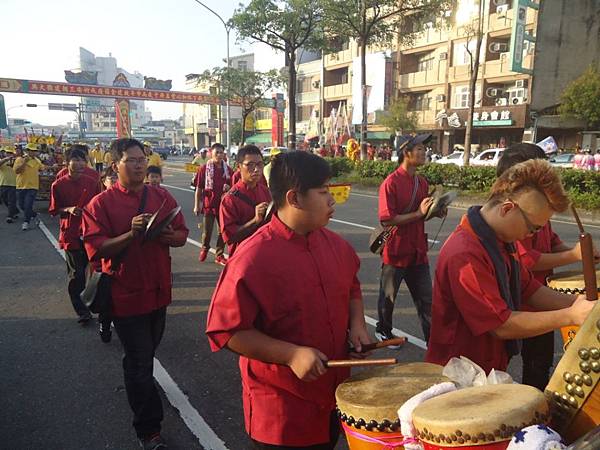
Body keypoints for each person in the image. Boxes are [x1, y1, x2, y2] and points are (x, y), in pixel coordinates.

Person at [206, 151, 371, 449]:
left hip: (332, 395)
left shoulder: (335, 245)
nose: (331, 201)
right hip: (282, 410)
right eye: (323, 193)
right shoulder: (253, 256)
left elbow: (352, 287)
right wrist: (291, 354)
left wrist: (357, 324)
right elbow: (226, 331)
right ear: (294, 198)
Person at [426, 159, 595, 373]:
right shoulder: (466, 253)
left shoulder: (500, 240)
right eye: (533, 228)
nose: (531, 235)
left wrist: (580, 304)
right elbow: (500, 324)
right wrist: (570, 315)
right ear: (507, 209)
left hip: (486, 365)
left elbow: (529, 289)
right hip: (458, 371)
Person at [82, 138, 188, 450]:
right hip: (125, 295)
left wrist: (170, 234)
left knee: (147, 355)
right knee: (140, 362)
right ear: (115, 165)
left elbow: (182, 234)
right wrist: (131, 233)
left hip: (158, 292)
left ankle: (140, 390)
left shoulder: (160, 195)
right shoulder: (100, 204)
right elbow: (96, 248)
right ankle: (148, 430)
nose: (140, 165)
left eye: (142, 159)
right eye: (131, 160)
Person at [496, 143, 599, 389]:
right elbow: (529, 261)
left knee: (538, 363)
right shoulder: (493, 237)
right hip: (520, 309)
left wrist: (584, 255)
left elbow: (532, 278)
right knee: (504, 365)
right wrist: (575, 255)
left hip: (540, 298)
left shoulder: (532, 214)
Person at [375, 133, 440, 346]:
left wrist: (436, 211)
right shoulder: (390, 183)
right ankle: (384, 331)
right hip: (396, 250)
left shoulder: (421, 182)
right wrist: (419, 214)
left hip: (418, 251)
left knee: (426, 301)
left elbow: (423, 211)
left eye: (424, 148)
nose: (424, 152)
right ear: (406, 152)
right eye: (420, 148)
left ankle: (433, 341)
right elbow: (387, 219)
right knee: (388, 297)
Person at [49, 147, 101, 324]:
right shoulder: (58, 184)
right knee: (76, 274)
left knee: (97, 271)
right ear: (67, 162)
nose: (80, 164)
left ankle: (95, 303)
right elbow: (54, 209)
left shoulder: (92, 180)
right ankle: (82, 311)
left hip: (90, 233)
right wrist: (69, 209)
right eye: (76, 160)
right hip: (71, 234)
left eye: (83, 160)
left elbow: (99, 204)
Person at [219, 145, 272, 257]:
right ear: (239, 167)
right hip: (243, 258)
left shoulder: (266, 192)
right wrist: (255, 221)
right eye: (250, 165)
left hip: (266, 255)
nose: (256, 169)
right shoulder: (230, 199)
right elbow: (229, 237)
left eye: (259, 164)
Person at [193, 143, 232, 266]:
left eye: (221, 153)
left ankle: (219, 255)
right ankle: (205, 247)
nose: (219, 155)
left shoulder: (228, 170)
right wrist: (197, 205)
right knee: (207, 232)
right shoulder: (204, 169)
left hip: (223, 206)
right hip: (208, 205)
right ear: (211, 153)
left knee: (223, 231)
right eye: (217, 153)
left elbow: (235, 186)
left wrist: (229, 187)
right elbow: (199, 189)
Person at [13, 143, 45, 231]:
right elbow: (17, 171)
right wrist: (24, 162)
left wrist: (52, 167)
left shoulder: (37, 161)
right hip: (21, 186)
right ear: (27, 151)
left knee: (28, 205)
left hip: (32, 187)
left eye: (35, 151)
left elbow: (43, 168)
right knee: (22, 206)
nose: (33, 153)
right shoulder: (19, 159)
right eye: (31, 151)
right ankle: (34, 215)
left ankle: (26, 222)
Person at [0, 146, 19, 223]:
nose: (9, 154)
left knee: (11, 200)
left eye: (10, 153)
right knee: (5, 200)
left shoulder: (16, 161)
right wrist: (6, 159)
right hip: (3, 183)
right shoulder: (2, 161)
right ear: (5, 153)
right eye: (7, 153)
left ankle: (10, 216)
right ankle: (15, 211)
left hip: (13, 184)